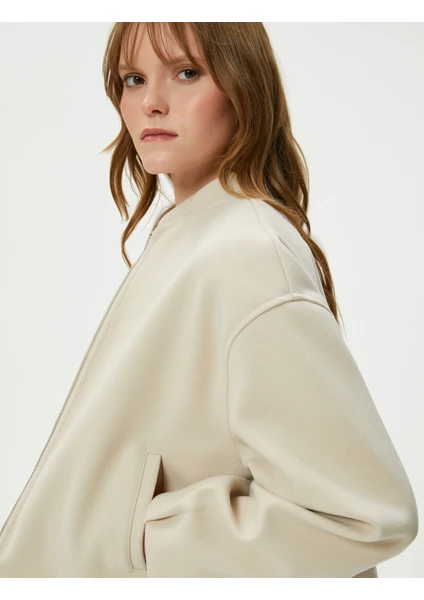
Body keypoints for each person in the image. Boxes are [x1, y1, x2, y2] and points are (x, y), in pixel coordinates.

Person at [0, 22, 418, 578]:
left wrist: (145, 540)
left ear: (245, 86)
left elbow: (359, 516)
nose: (150, 102)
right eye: (133, 79)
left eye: (186, 72)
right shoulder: (196, 234)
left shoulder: (245, 254)